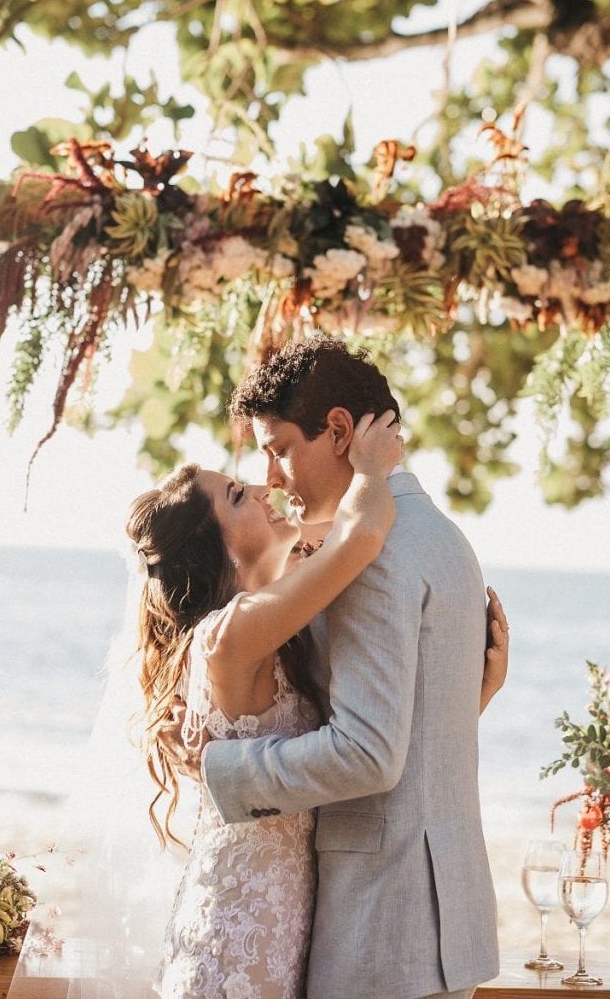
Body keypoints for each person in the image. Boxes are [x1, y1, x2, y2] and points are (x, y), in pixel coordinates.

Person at [127, 373, 507, 995]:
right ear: (219, 549)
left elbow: (363, 735)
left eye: (272, 456)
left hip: (296, 925)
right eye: (238, 495)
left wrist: (465, 702)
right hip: (241, 930)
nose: (264, 482)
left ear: (333, 428)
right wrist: (371, 470)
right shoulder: (233, 631)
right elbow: (360, 537)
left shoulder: (288, 623)